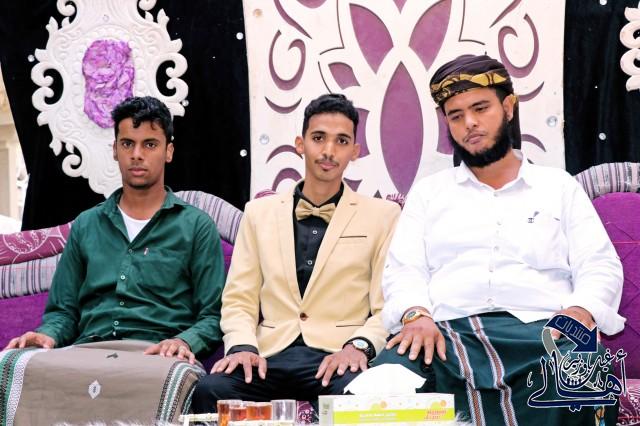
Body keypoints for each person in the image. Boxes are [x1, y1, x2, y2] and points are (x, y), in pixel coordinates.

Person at [374, 54, 625, 425]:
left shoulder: (558, 186)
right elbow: (403, 269)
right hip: (444, 338)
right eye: (456, 115)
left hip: (543, 333)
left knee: (584, 374)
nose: (469, 123)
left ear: (508, 107)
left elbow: (599, 264)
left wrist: (578, 311)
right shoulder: (429, 193)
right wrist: (416, 314)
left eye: (480, 108)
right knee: (384, 382)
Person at [2, 96, 225, 424]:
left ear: (169, 151)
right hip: (87, 352)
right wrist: (47, 334)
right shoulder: (88, 225)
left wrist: (183, 341)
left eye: (150, 144)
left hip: (156, 355)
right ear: (115, 150)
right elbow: (63, 311)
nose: (137, 154)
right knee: (9, 365)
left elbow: (213, 315)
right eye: (127, 143)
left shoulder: (195, 226)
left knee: (172, 381)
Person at [191, 93, 401, 412]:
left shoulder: (382, 216)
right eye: (319, 138)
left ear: (355, 151)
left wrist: (358, 347)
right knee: (211, 390)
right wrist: (243, 346)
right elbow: (239, 298)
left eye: (341, 141)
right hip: (269, 356)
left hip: (337, 357)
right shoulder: (258, 213)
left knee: (364, 398)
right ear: (300, 144)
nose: (328, 150)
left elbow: (386, 305)